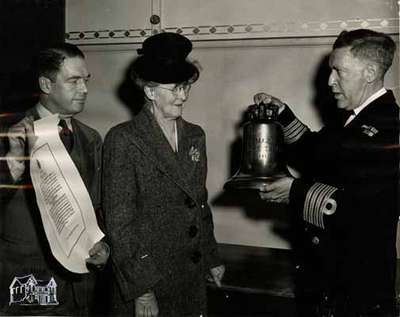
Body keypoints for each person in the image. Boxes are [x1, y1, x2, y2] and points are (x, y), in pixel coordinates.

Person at [254, 29, 399, 317]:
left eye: (339, 71)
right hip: (326, 281)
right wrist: (283, 115)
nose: (330, 81)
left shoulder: (389, 127)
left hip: (357, 290)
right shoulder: (352, 120)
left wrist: (294, 192)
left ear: (369, 72)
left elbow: (365, 207)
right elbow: (314, 153)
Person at [103, 32, 225, 317]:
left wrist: (211, 256)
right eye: (175, 88)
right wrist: (142, 289)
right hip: (150, 279)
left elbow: (199, 202)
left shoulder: (195, 135)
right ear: (150, 91)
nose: (182, 96)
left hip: (190, 274)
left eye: (186, 87)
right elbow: (120, 225)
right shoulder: (124, 139)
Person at [0, 43, 109, 316]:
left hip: (80, 285)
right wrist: (13, 163)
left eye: (85, 80)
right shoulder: (8, 132)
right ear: (46, 84)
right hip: (27, 281)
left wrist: (103, 244)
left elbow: (95, 206)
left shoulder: (91, 138)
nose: (84, 89)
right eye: (73, 81)